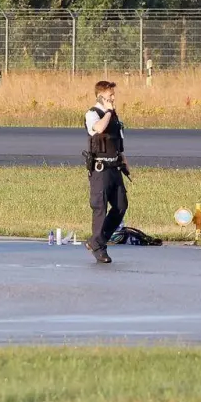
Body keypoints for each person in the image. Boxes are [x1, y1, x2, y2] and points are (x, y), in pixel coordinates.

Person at [83, 80, 129, 264]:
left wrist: (125, 163)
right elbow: (99, 129)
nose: (113, 98)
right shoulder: (92, 114)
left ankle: (97, 240)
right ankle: (99, 248)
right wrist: (109, 112)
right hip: (100, 169)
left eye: (113, 95)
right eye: (110, 96)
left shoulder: (114, 116)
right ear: (101, 97)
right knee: (100, 207)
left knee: (121, 206)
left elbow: (119, 142)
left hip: (114, 167)